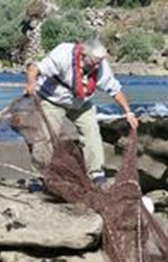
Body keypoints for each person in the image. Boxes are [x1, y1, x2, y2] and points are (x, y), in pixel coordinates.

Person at [23, 37, 138, 185]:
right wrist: (31, 83)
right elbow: (35, 68)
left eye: (101, 60)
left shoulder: (101, 66)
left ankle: (97, 174)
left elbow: (115, 90)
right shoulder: (63, 54)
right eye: (95, 60)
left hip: (80, 103)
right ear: (83, 54)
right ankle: (37, 178)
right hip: (53, 100)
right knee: (46, 137)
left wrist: (128, 113)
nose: (98, 64)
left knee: (92, 132)